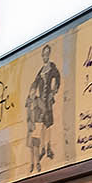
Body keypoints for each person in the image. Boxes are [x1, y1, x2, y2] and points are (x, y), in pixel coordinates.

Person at [25, 44, 61, 174]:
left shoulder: (52, 67)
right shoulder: (41, 71)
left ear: (49, 54)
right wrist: (32, 94)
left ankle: (48, 146)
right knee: (42, 125)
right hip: (41, 101)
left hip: (47, 100)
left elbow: (57, 78)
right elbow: (34, 83)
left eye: (46, 54)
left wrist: (54, 91)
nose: (44, 56)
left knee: (48, 124)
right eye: (43, 54)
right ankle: (43, 149)